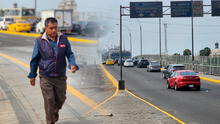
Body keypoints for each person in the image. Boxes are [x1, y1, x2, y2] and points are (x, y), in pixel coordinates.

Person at [28, 17, 79, 124]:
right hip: (46, 76)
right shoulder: (39, 41)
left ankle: (53, 112)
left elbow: (69, 54)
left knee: (61, 99)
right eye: (51, 28)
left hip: (60, 76)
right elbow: (34, 59)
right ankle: (50, 121)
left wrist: (72, 64)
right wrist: (32, 75)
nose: (54, 30)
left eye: (56, 28)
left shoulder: (63, 39)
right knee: (49, 100)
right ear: (45, 28)